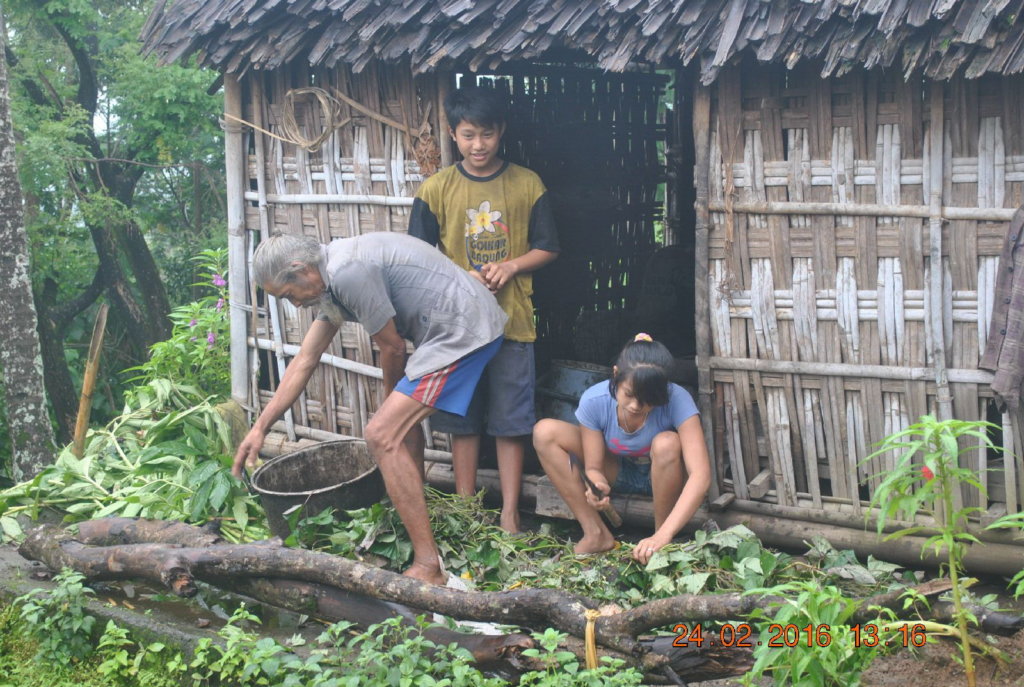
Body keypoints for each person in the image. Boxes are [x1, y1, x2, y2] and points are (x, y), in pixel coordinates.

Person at [232, 232, 508, 586]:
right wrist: (260, 428)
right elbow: (305, 359)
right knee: (394, 427)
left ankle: (429, 566)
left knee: (381, 433)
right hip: (447, 332)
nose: (295, 306)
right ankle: (419, 517)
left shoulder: (348, 271)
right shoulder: (329, 283)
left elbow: (392, 348)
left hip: (462, 330)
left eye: (289, 295)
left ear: (300, 270)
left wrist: (390, 404)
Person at [408, 85, 560, 533]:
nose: (479, 145)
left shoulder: (527, 184)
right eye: (469, 135)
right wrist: (462, 278)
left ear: (502, 133)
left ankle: (511, 514)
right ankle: (466, 509)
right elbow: (418, 259)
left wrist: (511, 266)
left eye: (488, 135)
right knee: (462, 419)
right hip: (456, 329)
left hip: (512, 322)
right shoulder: (436, 189)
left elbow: (548, 248)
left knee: (511, 422)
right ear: (453, 134)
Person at [532, 334, 711, 565]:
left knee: (667, 442)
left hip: (666, 475)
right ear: (616, 374)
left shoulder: (678, 398)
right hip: (619, 470)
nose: (636, 406)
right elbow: (594, 467)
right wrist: (597, 485)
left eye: (648, 399)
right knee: (544, 431)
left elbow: (701, 475)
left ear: (663, 389)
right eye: (629, 394)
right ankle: (595, 534)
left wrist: (662, 536)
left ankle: (659, 541)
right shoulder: (594, 400)